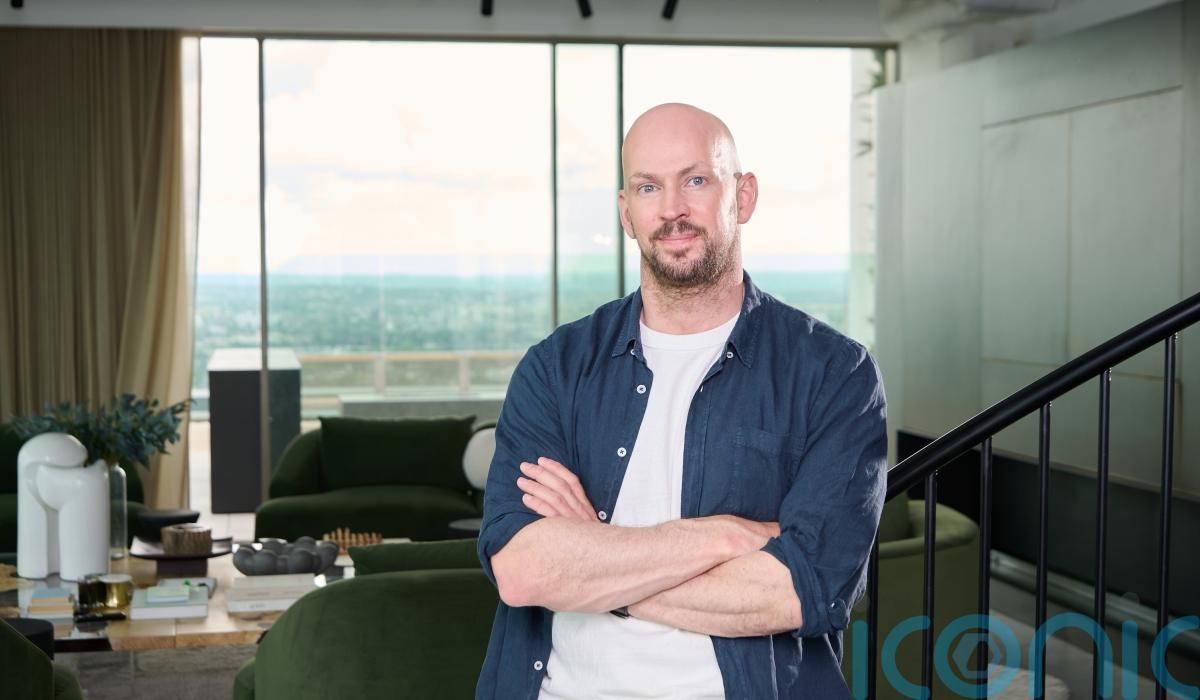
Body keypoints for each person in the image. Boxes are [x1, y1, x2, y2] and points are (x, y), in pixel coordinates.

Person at [476, 102, 887, 699]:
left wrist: (594, 557)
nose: (671, 209)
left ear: (743, 196)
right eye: (649, 187)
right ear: (627, 212)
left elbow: (802, 590)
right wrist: (722, 537)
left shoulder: (833, 373)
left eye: (695, 180)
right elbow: (523, 571)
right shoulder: (556, 367)